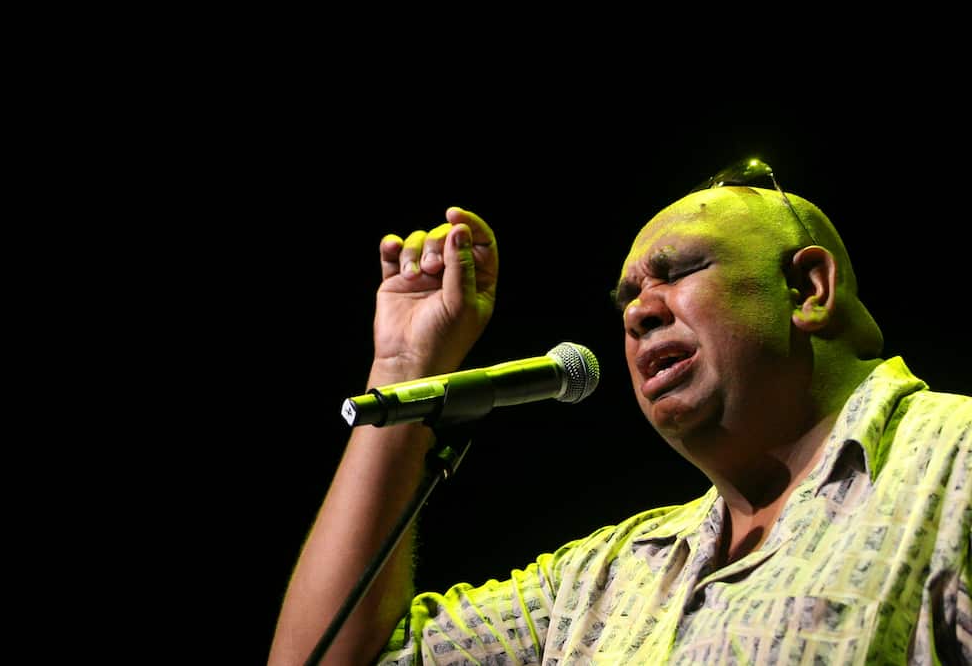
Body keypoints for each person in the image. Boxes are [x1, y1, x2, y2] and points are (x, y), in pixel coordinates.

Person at [268, 168, 971, 665]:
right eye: (627, 296)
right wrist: (401, 366)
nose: (637, 310)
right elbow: (325, 655)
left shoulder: (953, 463)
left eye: (676, 271)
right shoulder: (602, 576)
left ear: (807, 287)